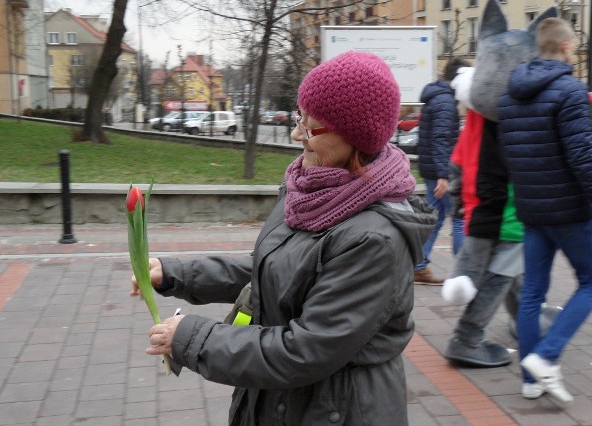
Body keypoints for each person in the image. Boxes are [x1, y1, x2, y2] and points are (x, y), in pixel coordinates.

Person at [131, 51, 437, 425]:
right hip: (281, 402)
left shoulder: (374, 238)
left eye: (311, 126)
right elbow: (272, 271)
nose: (296, 134)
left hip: (335, 409)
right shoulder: (309, 189)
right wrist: (177, 273)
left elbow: (306, 350)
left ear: (354, 136)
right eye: (299, 117)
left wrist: (193, 339)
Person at [497, 17, 592, 402]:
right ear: (568, 47)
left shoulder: (510, 94)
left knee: (533, 291)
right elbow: (584, 159)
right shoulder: (570, 91)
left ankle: (529, 379)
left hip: (532, 208)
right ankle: (547, 357)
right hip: (569, 211)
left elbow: (510, 155)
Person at [441, 66, 524, 368]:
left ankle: (526, 318)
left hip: (480, 205)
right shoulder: (508, 113)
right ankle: (466, 338)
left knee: (510, 267)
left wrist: (458, 202)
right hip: (505, 208)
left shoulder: (477, 114)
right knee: (500, 272)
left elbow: (457, 161)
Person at [414, 57, 471, 285]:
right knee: (459, 217)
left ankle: (418, 266)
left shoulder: (436, 97)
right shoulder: (446, 103)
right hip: (442, 171)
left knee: (435, 219)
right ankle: (463, 273)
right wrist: (444, 175)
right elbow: (440, 139)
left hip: (433, 169)